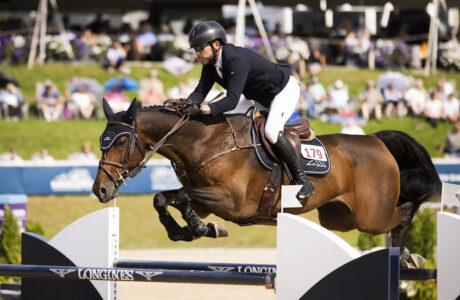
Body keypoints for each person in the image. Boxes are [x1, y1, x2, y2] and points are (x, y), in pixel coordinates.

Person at [183, 20, 314, 201]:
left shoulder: (235, 59)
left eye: (199, 47)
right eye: (194, 49)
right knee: (228, 122)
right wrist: (184, 106)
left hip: (283, 90)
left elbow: (231, 100)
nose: (197, 53)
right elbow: (199, 92)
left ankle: (303, 180)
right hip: (257, 96)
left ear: (216, 44)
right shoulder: (210, 65)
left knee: (271, 132)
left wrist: (204, 110)